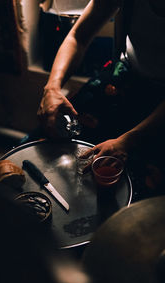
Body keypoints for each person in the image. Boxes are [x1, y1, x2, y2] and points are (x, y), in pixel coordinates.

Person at [37, 0, 165, 169]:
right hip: (127, 74)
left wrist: (129, 140)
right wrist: (52, 87)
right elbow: (78, 37)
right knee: (46, 141)